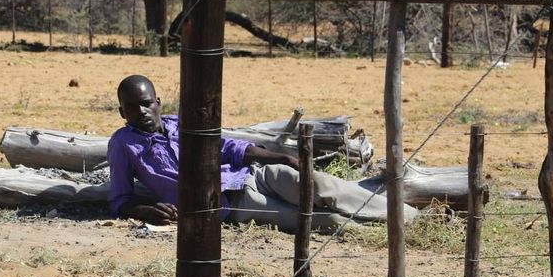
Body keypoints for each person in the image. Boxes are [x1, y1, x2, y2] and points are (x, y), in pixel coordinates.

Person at [107, 75, 416, 233]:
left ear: (158, 102)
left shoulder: (181, 125)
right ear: (122, 111)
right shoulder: (122, 144)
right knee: (323, 220)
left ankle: (410, 219)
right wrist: (146, 211)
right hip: (231, 203)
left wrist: (280, 157)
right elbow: (120, 199)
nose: (142, 111)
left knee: (323, 186)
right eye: (132, 107)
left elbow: (228, 147)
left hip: (255, 176)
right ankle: (382, 231)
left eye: (146, 103)